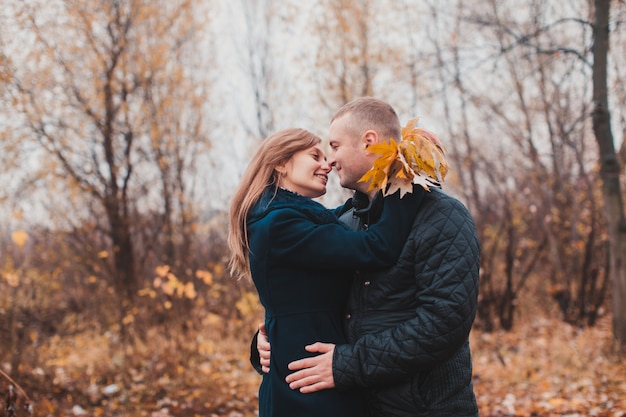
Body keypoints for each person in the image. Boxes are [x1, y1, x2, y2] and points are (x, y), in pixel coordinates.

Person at [255, 98, 481, 416]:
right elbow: (309, 300)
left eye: (334, 146)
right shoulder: (346, 222)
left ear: (369, 142)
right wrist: (267, 341)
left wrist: (347, 365)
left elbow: (443, 324)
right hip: (356, 405)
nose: (330, 161)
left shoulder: (443, 216)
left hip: (426, 409)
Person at [228, 127, 423, 417]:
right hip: (308, 386)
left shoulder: (291, 217)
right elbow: (377, 247)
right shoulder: (281, 225)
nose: (327, 164)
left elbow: (339, 221)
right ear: (280, 163)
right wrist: (402, 181)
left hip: (312, 372)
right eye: (315, 155)